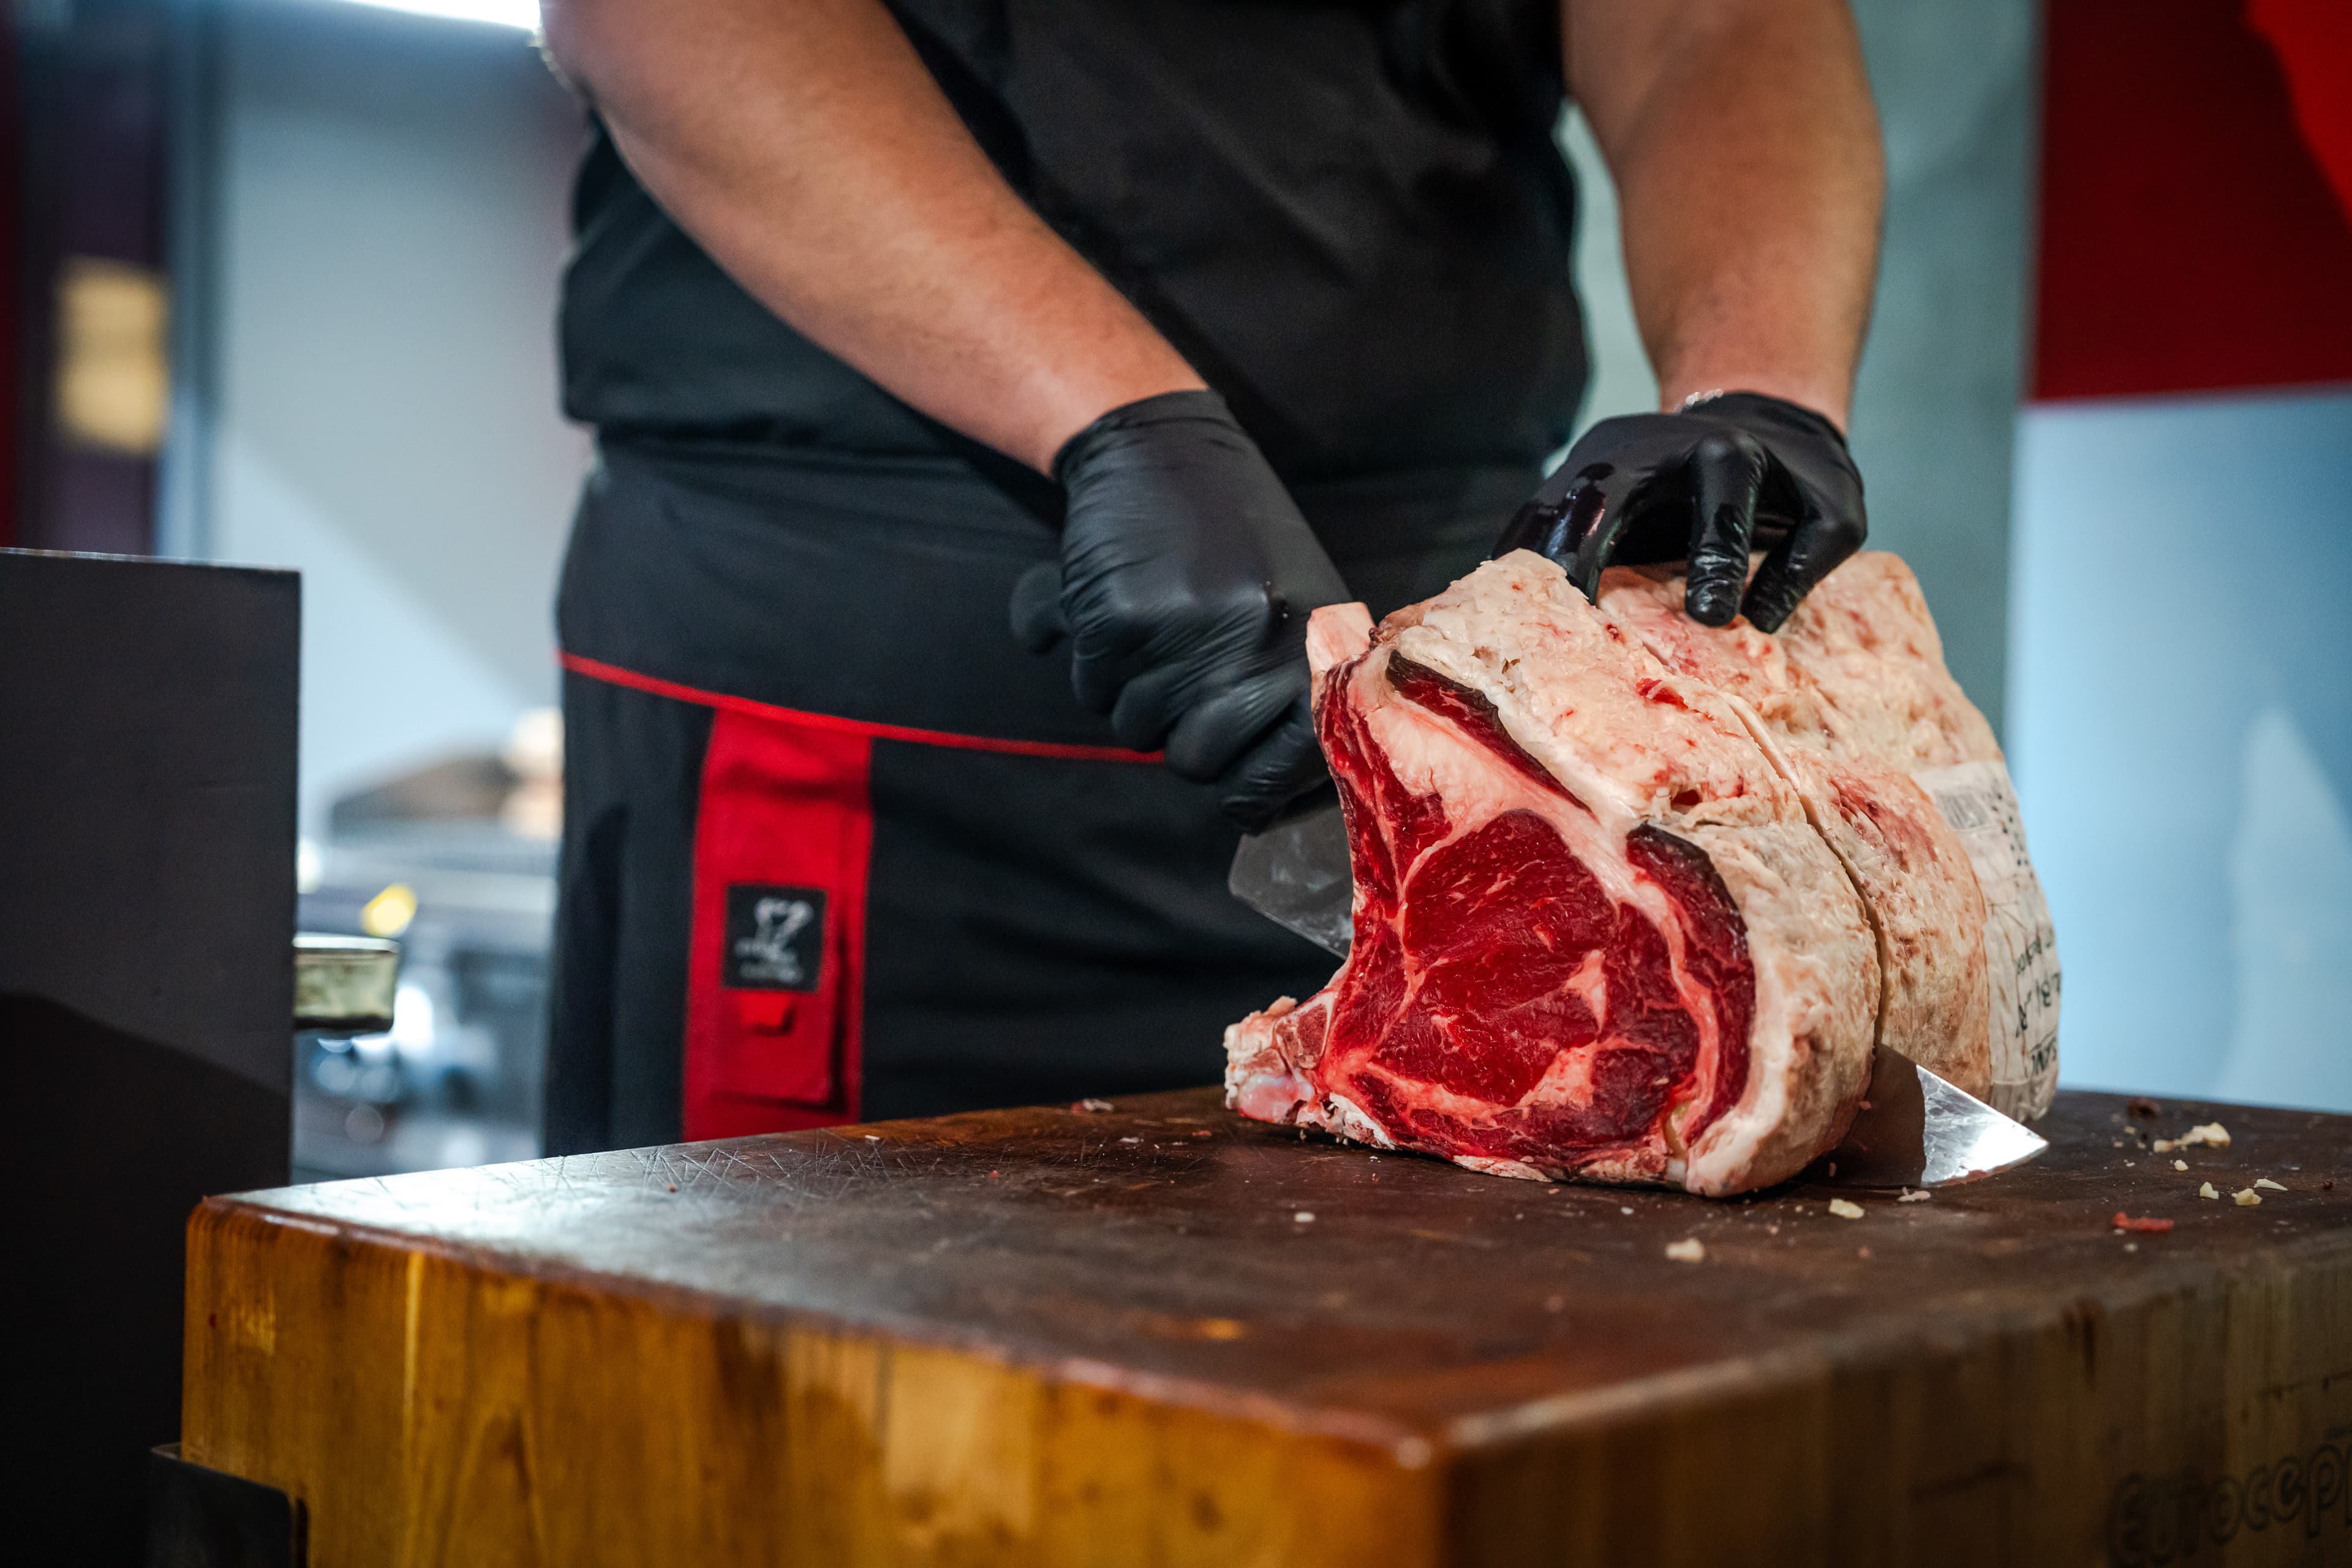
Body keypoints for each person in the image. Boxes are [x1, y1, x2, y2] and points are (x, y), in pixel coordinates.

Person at [535, 0, 1885, 1153]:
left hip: (1441, 765)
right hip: (867, 723)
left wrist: (1761, 387)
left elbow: (1715, 23)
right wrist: (1119, 418)